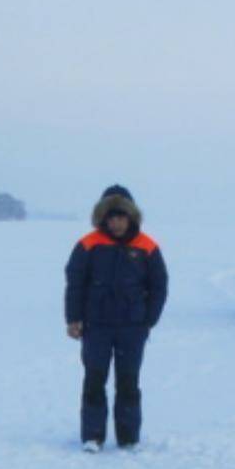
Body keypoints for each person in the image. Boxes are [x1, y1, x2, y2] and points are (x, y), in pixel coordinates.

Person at [63, 184, 167, 451]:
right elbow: (75, 283)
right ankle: (92, 436)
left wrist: (148, 320)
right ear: (103, 218)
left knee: (128, 382)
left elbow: (159, 285)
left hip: (132, 328)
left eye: (122, 216)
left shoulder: (147, 246)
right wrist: (73, 319)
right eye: (112, 217)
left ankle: (128, 437)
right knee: (94, 380)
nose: (117, 222)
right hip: (96, 326)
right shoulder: (88, 245)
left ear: (131, 217)